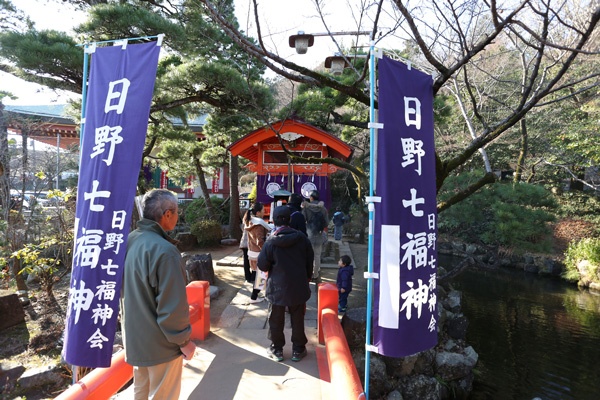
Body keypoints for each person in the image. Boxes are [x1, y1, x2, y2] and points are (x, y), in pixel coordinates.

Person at [120, 189, 196, 400]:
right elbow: (172, 308)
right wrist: (184, 342)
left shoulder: (129, 240)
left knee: (141, 393)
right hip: (161, 345)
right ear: (167, 215)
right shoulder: (165, 251)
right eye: (177, 211)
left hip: (135, 340)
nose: (178, 215)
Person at [258, 206, 314, 362]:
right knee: (298, 318)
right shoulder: (302, 238)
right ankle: (298, 349)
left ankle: (277, 350)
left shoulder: (271, 242)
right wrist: (306, 278)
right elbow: (310, 263)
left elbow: (262, 265)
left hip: (277, 288)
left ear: (274, 221)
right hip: (298, 286)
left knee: (275, 319)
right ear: (290, 220)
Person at [244, 201, 273, 304]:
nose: (264, 211)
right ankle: (254, 297)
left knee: (257, 275)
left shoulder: (250, 221)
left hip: (252, 252)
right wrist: (265, 251)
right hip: (259, 254)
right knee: (261, 277)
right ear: (257, 213)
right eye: (262, 210)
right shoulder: (258, 224)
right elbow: (260, 240)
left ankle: (256, 296)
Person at [302, 190, 328, 279]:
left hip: (309, 235)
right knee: (317, 255)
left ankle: (308, 273)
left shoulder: (306, 208)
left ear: (311, 198)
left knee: (309, 255)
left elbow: (303, 220)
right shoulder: (323, 209)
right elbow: (326, 223)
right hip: (319, 234)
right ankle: (315, 274)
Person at [239, 210, 253, 283]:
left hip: (244, 243)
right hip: (251, 243)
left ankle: (247, 277)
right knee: (253, 260)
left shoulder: (244, 220)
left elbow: (242, 229)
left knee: (246, 261)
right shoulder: (253, 220)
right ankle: (253, 276)